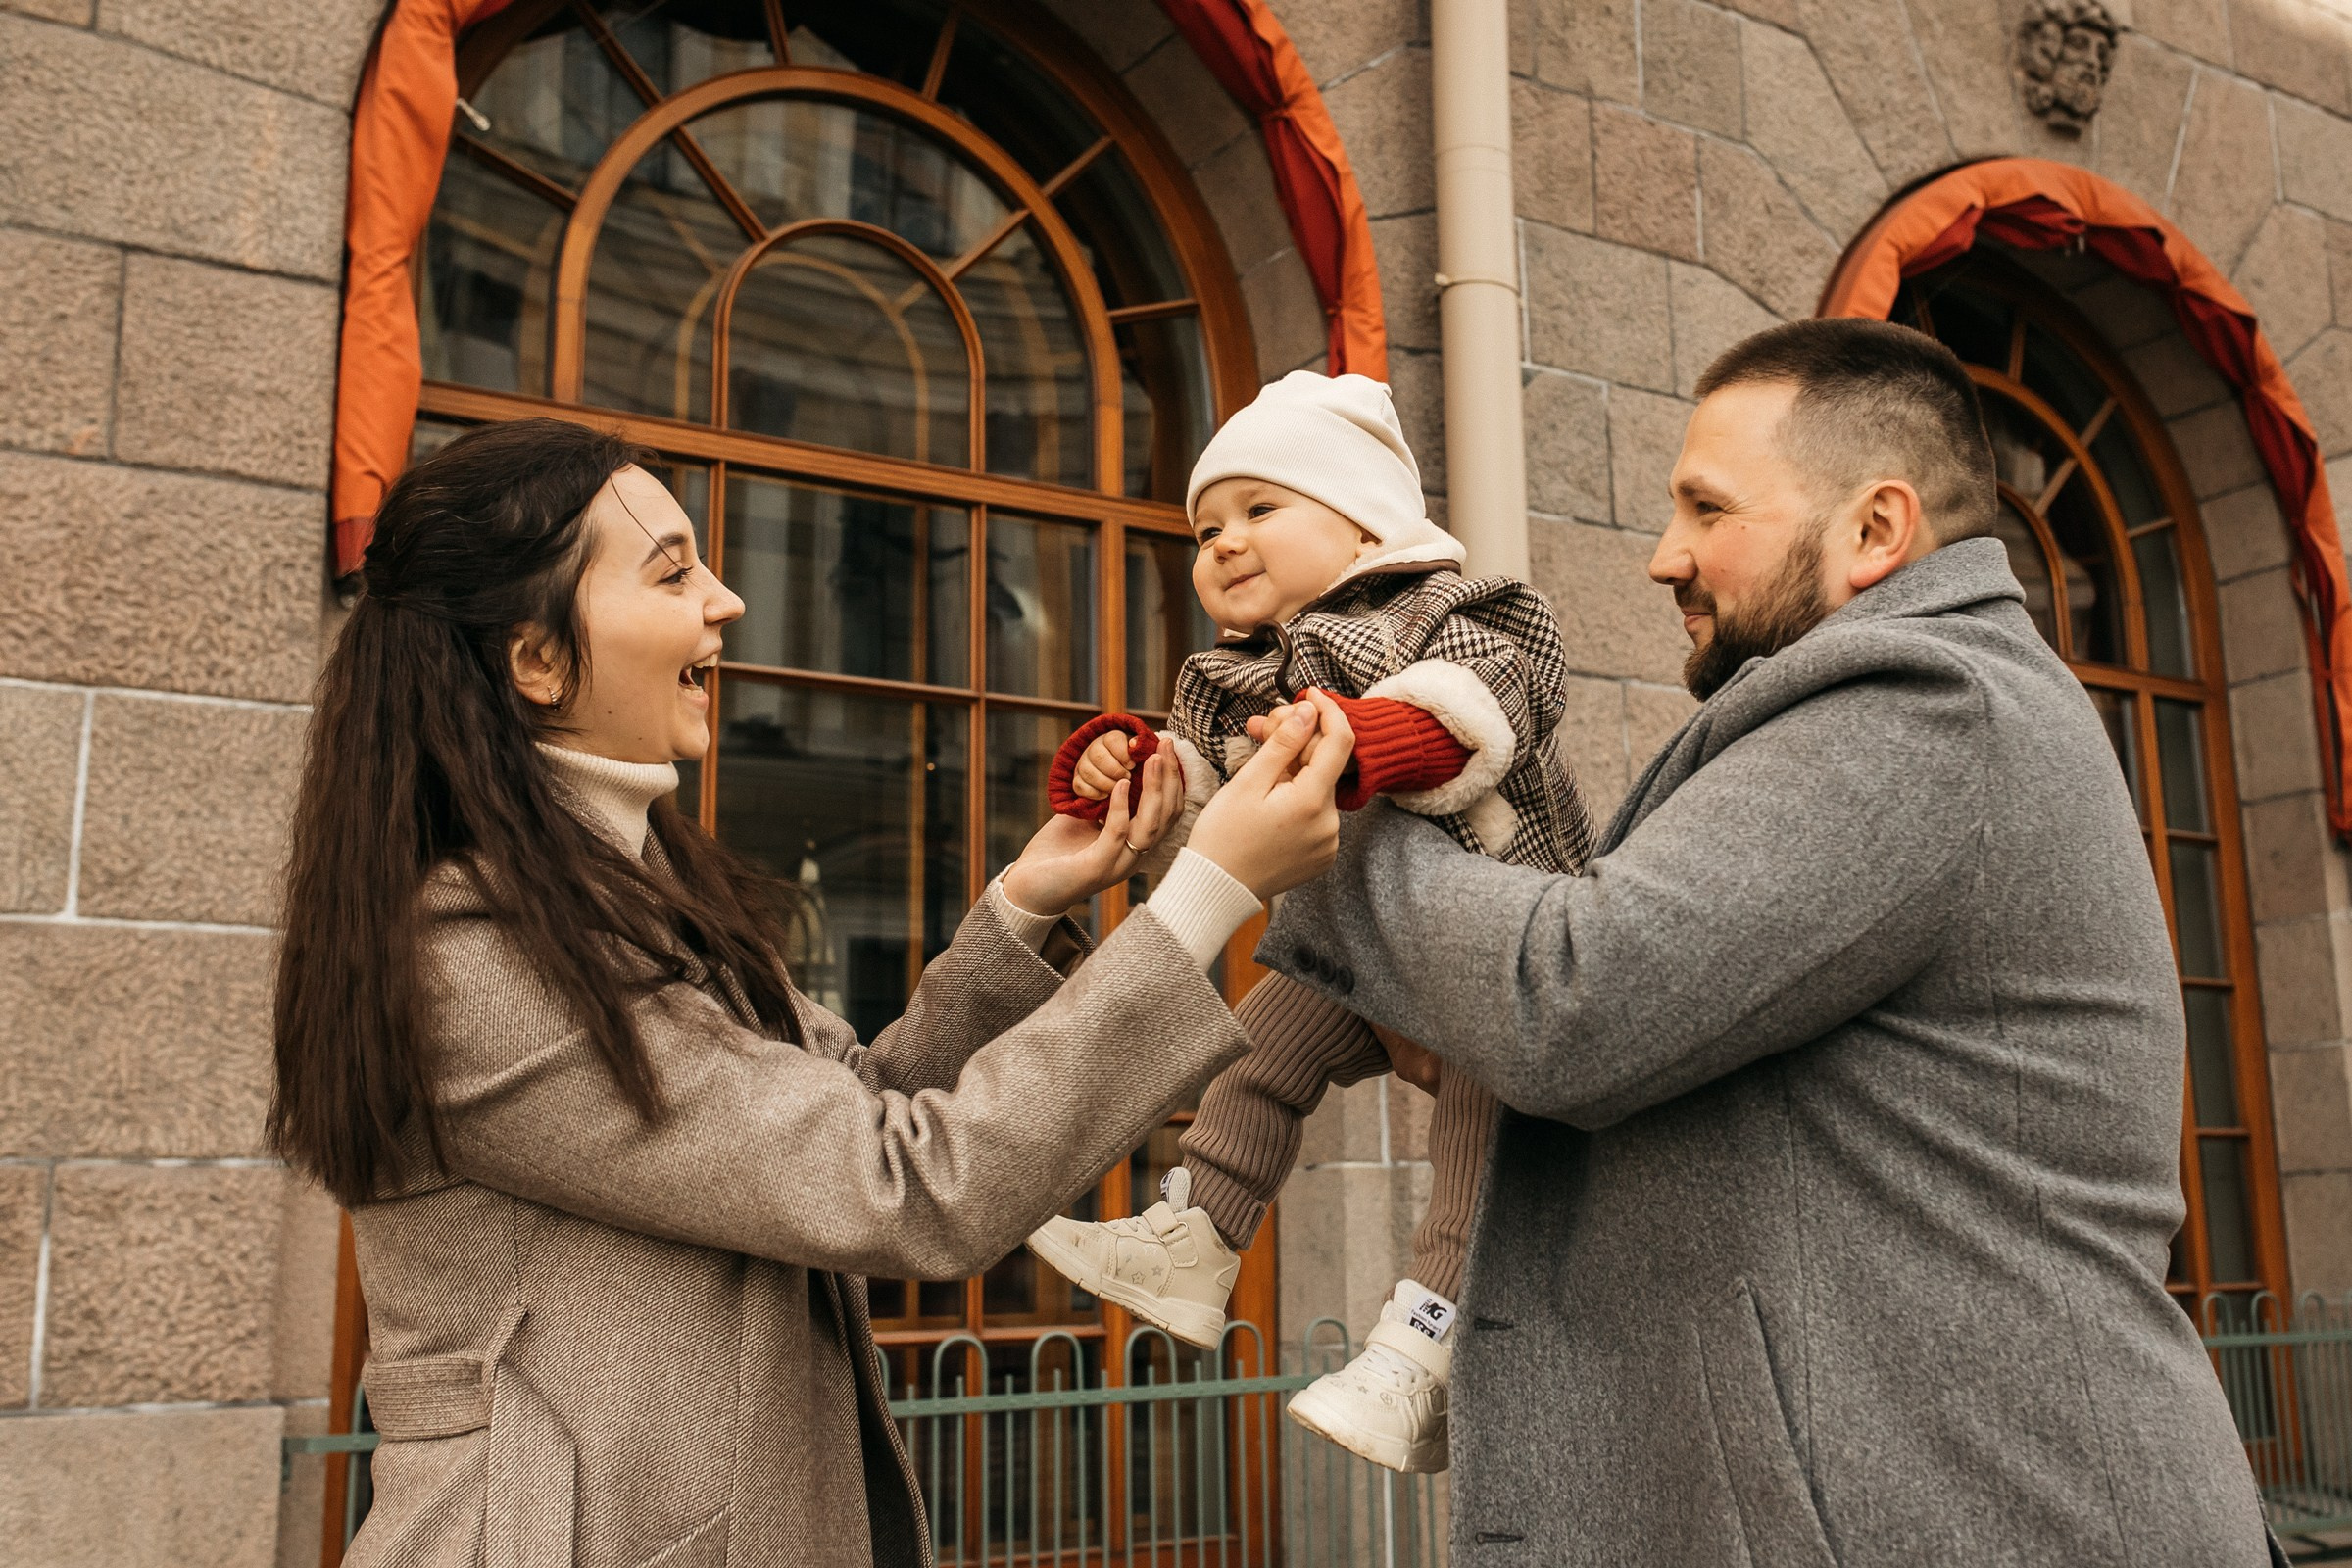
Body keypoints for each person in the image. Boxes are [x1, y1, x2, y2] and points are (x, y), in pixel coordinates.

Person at [1253, 319, 2278, 1564]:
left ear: (1874, 532)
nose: (1662, 556)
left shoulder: (1926, 706)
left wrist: (1324, 797)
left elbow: (1572, 1001)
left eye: (1706, 506)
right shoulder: (1919, 700)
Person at [267, 418, 1354, 1568]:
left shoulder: (631, 884)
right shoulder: (475, 953)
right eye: (673, 571)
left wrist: (1030, 901)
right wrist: (1208, 896)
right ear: (535, 660)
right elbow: (906, 1186)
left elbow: (860, 1106)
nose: (726, 601)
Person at [1022, 370, 1594, 1475]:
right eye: (1205, 527)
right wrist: (1119, 766)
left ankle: (1423, 1352)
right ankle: (1198, 1236)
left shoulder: (1447, 610)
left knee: (1477, 1138)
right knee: (1251, 1058)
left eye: (1260, 510)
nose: (1225, 542)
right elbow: (1186, 781)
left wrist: (1358, 741)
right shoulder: (1231, 673)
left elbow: (1481, 709)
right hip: (1353, 953)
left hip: (1502, 936)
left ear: (1363, 518)